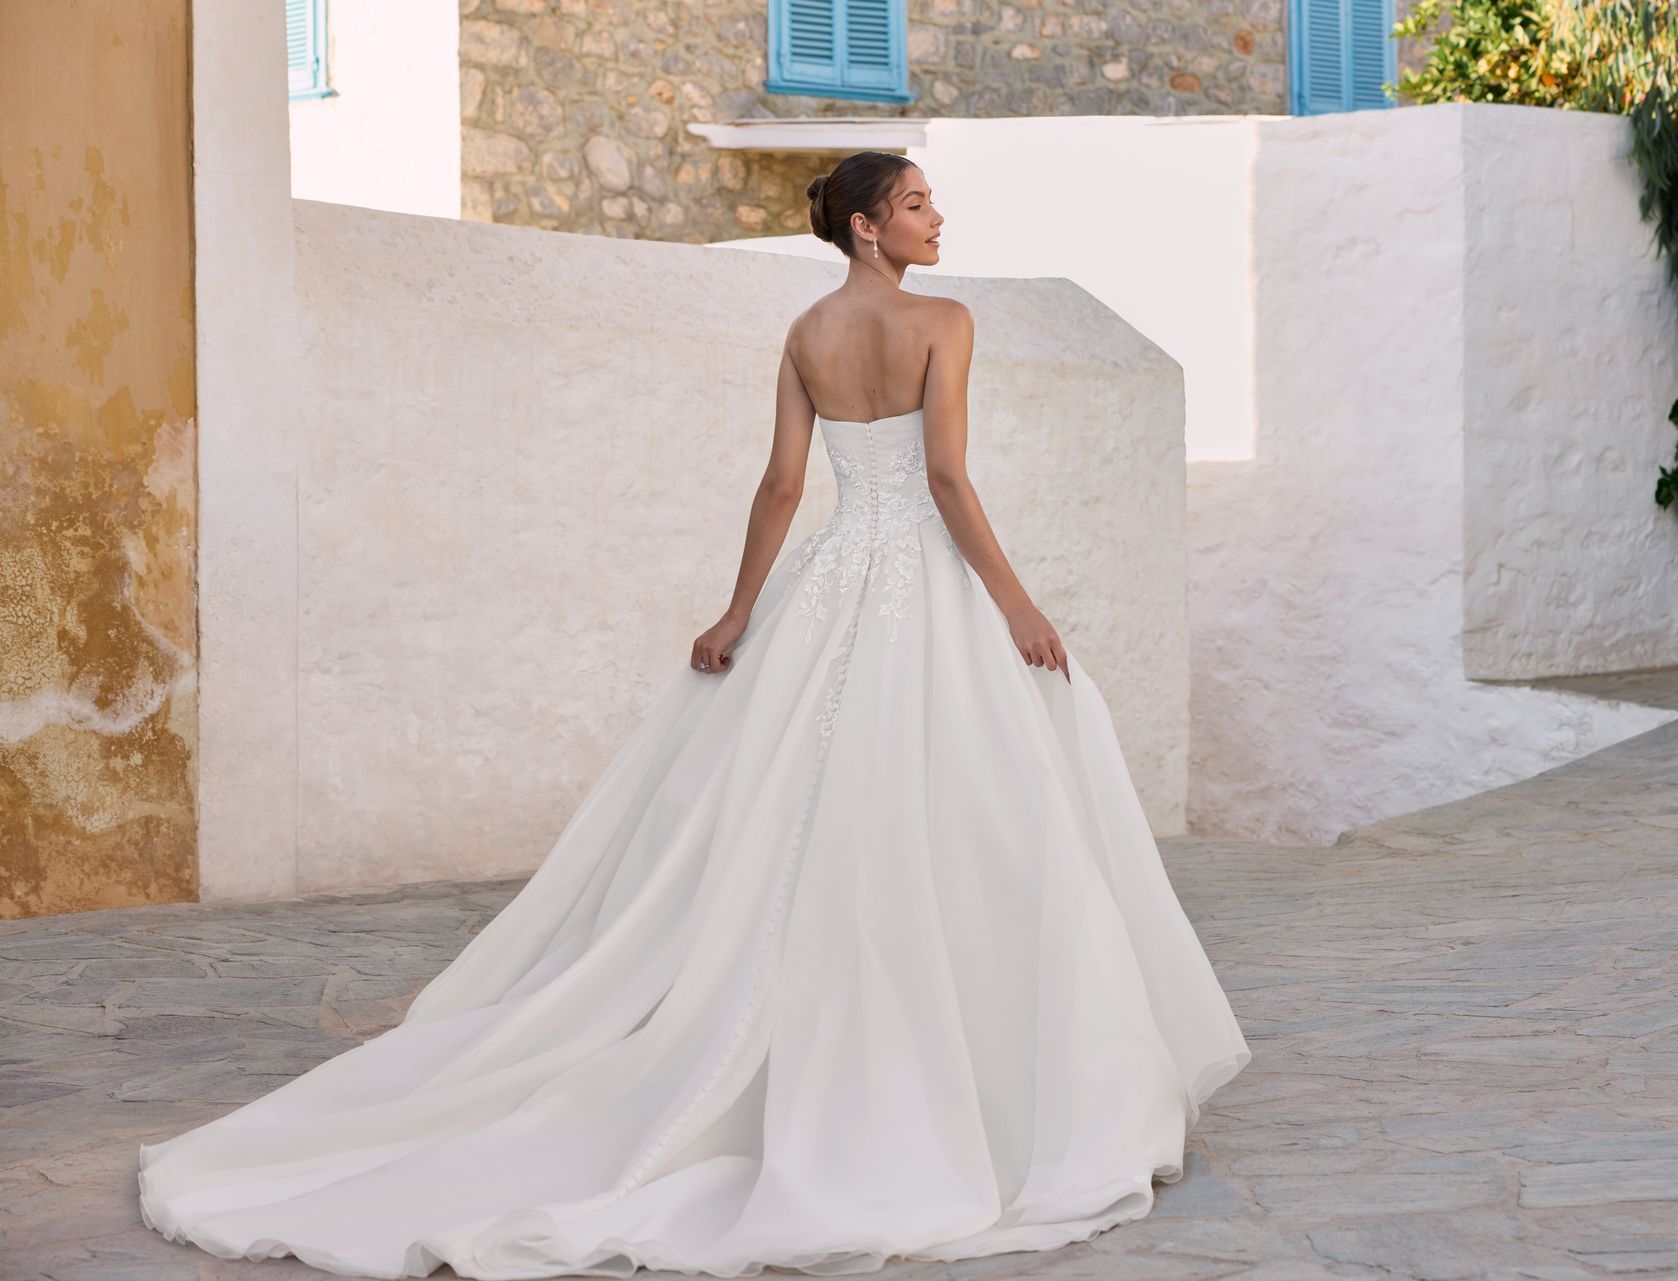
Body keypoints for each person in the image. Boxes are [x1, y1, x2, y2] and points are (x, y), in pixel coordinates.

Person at [138, 151, 1251, 1278]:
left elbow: (782, 486)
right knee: (971, 812)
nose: (936, 218)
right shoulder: (945, 323)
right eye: (916, 204)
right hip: (926, 584)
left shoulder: (807, 335)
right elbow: (949, 480)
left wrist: (740, 611)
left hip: (830, 584)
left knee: (805, 814)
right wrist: (1017, 605)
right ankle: (987, 1077)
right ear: (868, 227)